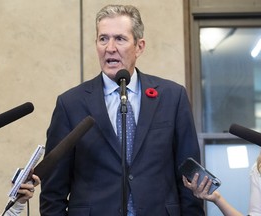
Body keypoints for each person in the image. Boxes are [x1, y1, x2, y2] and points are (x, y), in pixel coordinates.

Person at [40, 4, 204, 216]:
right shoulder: (70, 104)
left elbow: (190, 178)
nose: (110, 48)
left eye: (120, 39)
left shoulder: (172, 97)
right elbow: (53, 191)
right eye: (103, 39)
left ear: (139, 46)